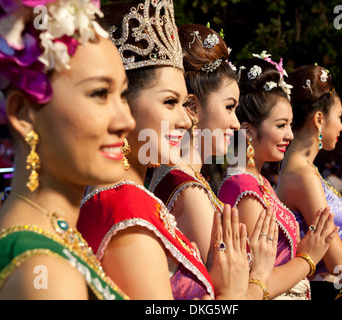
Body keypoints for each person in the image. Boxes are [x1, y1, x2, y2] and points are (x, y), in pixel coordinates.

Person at [78, 1, 268, 300]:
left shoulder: (129, 198)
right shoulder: (127, 210)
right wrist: (238, 289)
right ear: (121, 104)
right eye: (169, 102)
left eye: (184, 104)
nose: (185, 119)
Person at [0, 0, 135, 300]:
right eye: (99, 93)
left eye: (123, 95)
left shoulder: (23, 222)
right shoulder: (47, 276)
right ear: (23, 114)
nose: (127, 121)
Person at [147, 24, 278, 299]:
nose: (234, 123)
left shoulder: (186, 180)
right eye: (229, 107)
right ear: (193, 108)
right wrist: (261, 276)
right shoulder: (188, 191)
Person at [217, 56, 339, 299]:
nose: (290, 135)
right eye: (281, 125)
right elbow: (256, 282)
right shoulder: (242, 188)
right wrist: (308, 258)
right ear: (249, 131)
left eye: (290, 125)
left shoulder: (259, 183)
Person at [276, 64, 342, 300]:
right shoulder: (303, 175)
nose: (341, 125)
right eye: (338, 117)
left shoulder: (304, 169)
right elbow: (338, 264)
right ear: (319, 119)